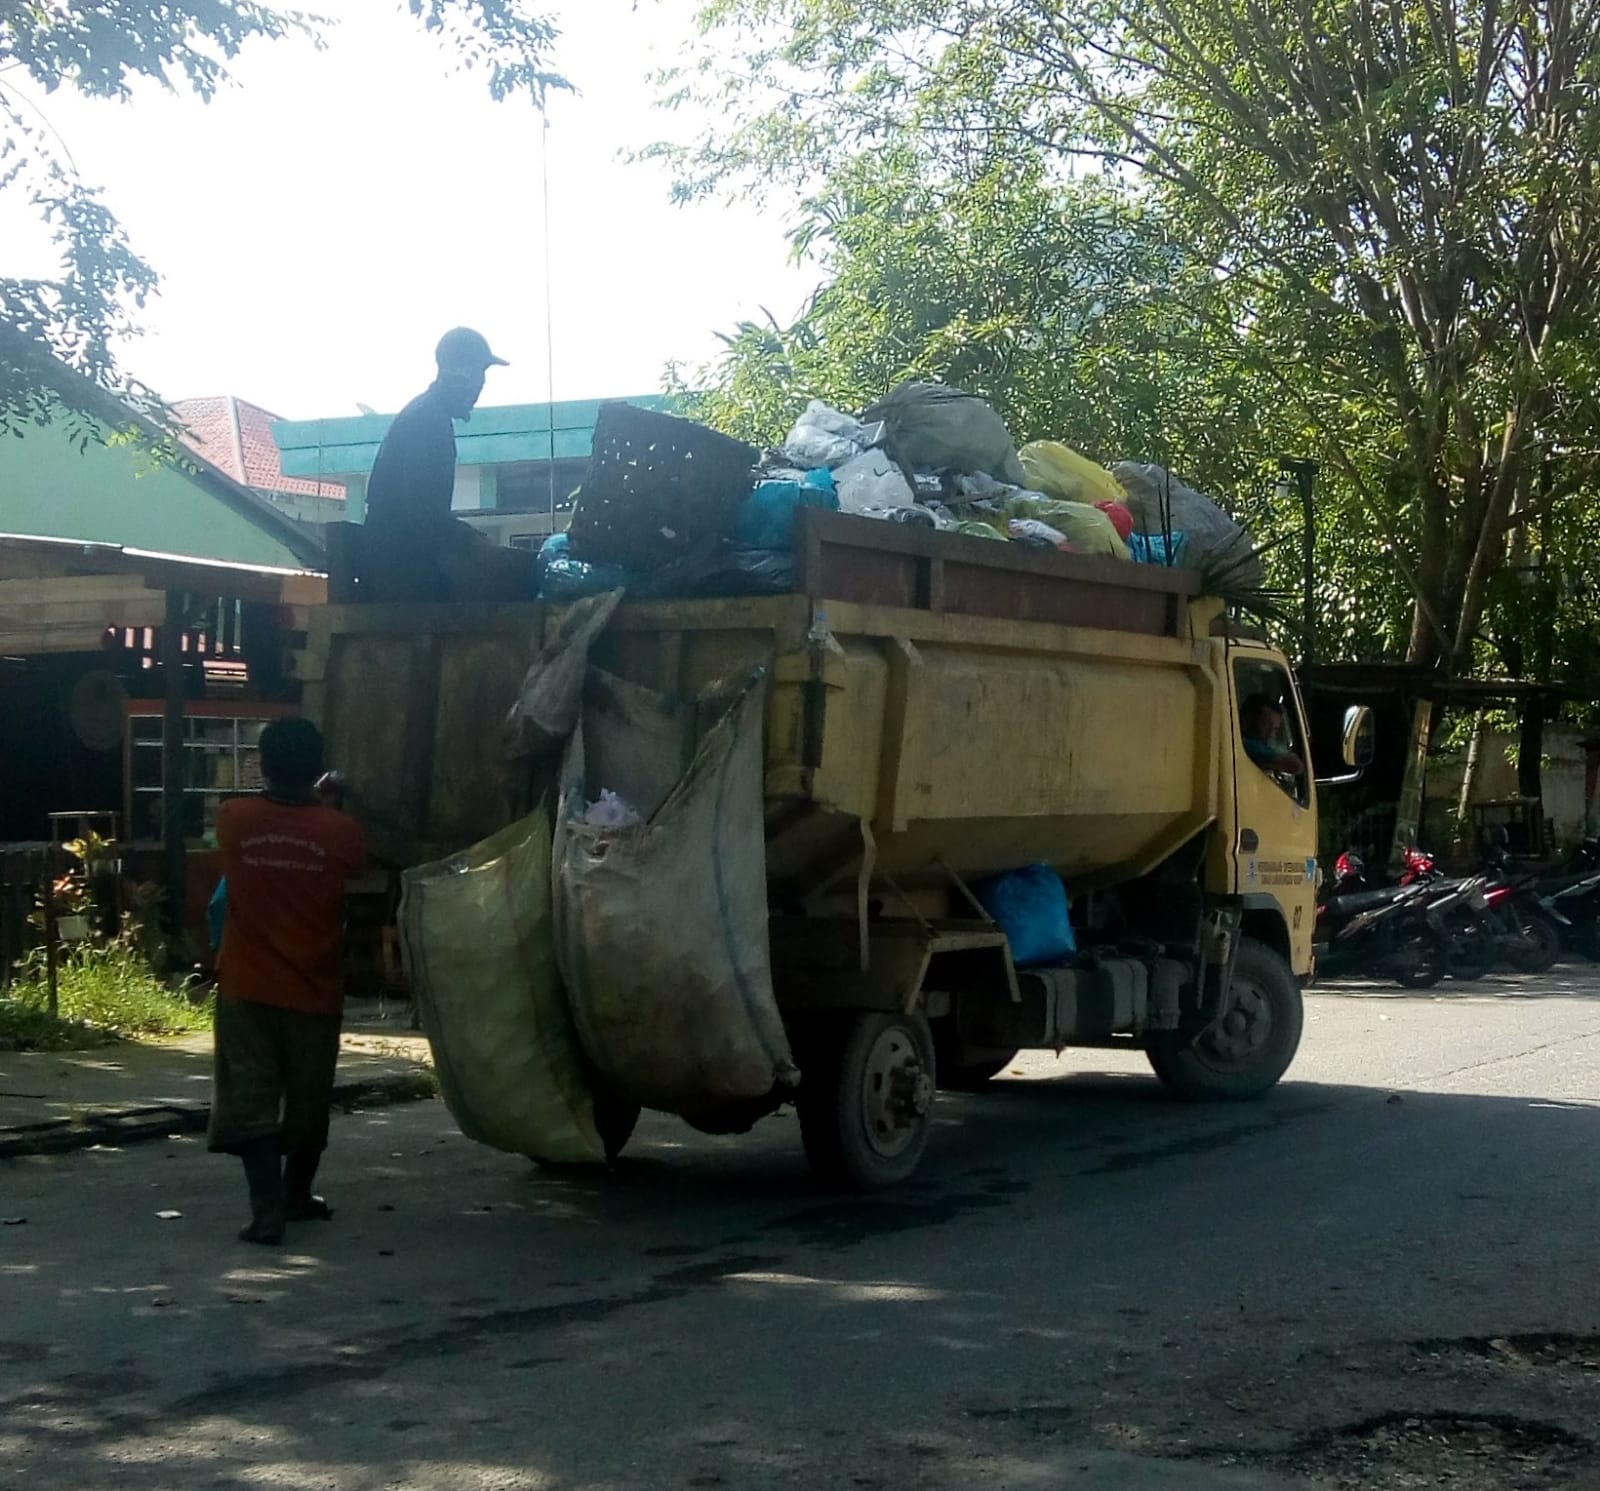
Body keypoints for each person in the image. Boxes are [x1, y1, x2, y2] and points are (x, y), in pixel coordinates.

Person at [209, 718, 366, 1245]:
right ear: (319, 767)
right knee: (307, 1099)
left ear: (264, 763)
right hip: (314, 989)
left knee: (250, 1098)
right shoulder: (340, 830)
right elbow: (357, 866)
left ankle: (266, 1211)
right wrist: (328, 806)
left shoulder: (233, 818)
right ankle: (297, 1193)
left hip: (246, 987)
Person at [361, 327, 538, 602]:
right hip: (403, 569)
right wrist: (472, 542)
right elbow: (421, 516)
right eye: (479, 374)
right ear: (461, 373)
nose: (481, 385)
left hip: (398, 561)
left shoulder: (428, 415)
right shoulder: (427, 422)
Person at [1240, 692, 1307, 780]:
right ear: (1247, 720)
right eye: (1266, 725)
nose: (1271, 733)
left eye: (1275, 729)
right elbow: (1297, 766)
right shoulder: (1247, 745)